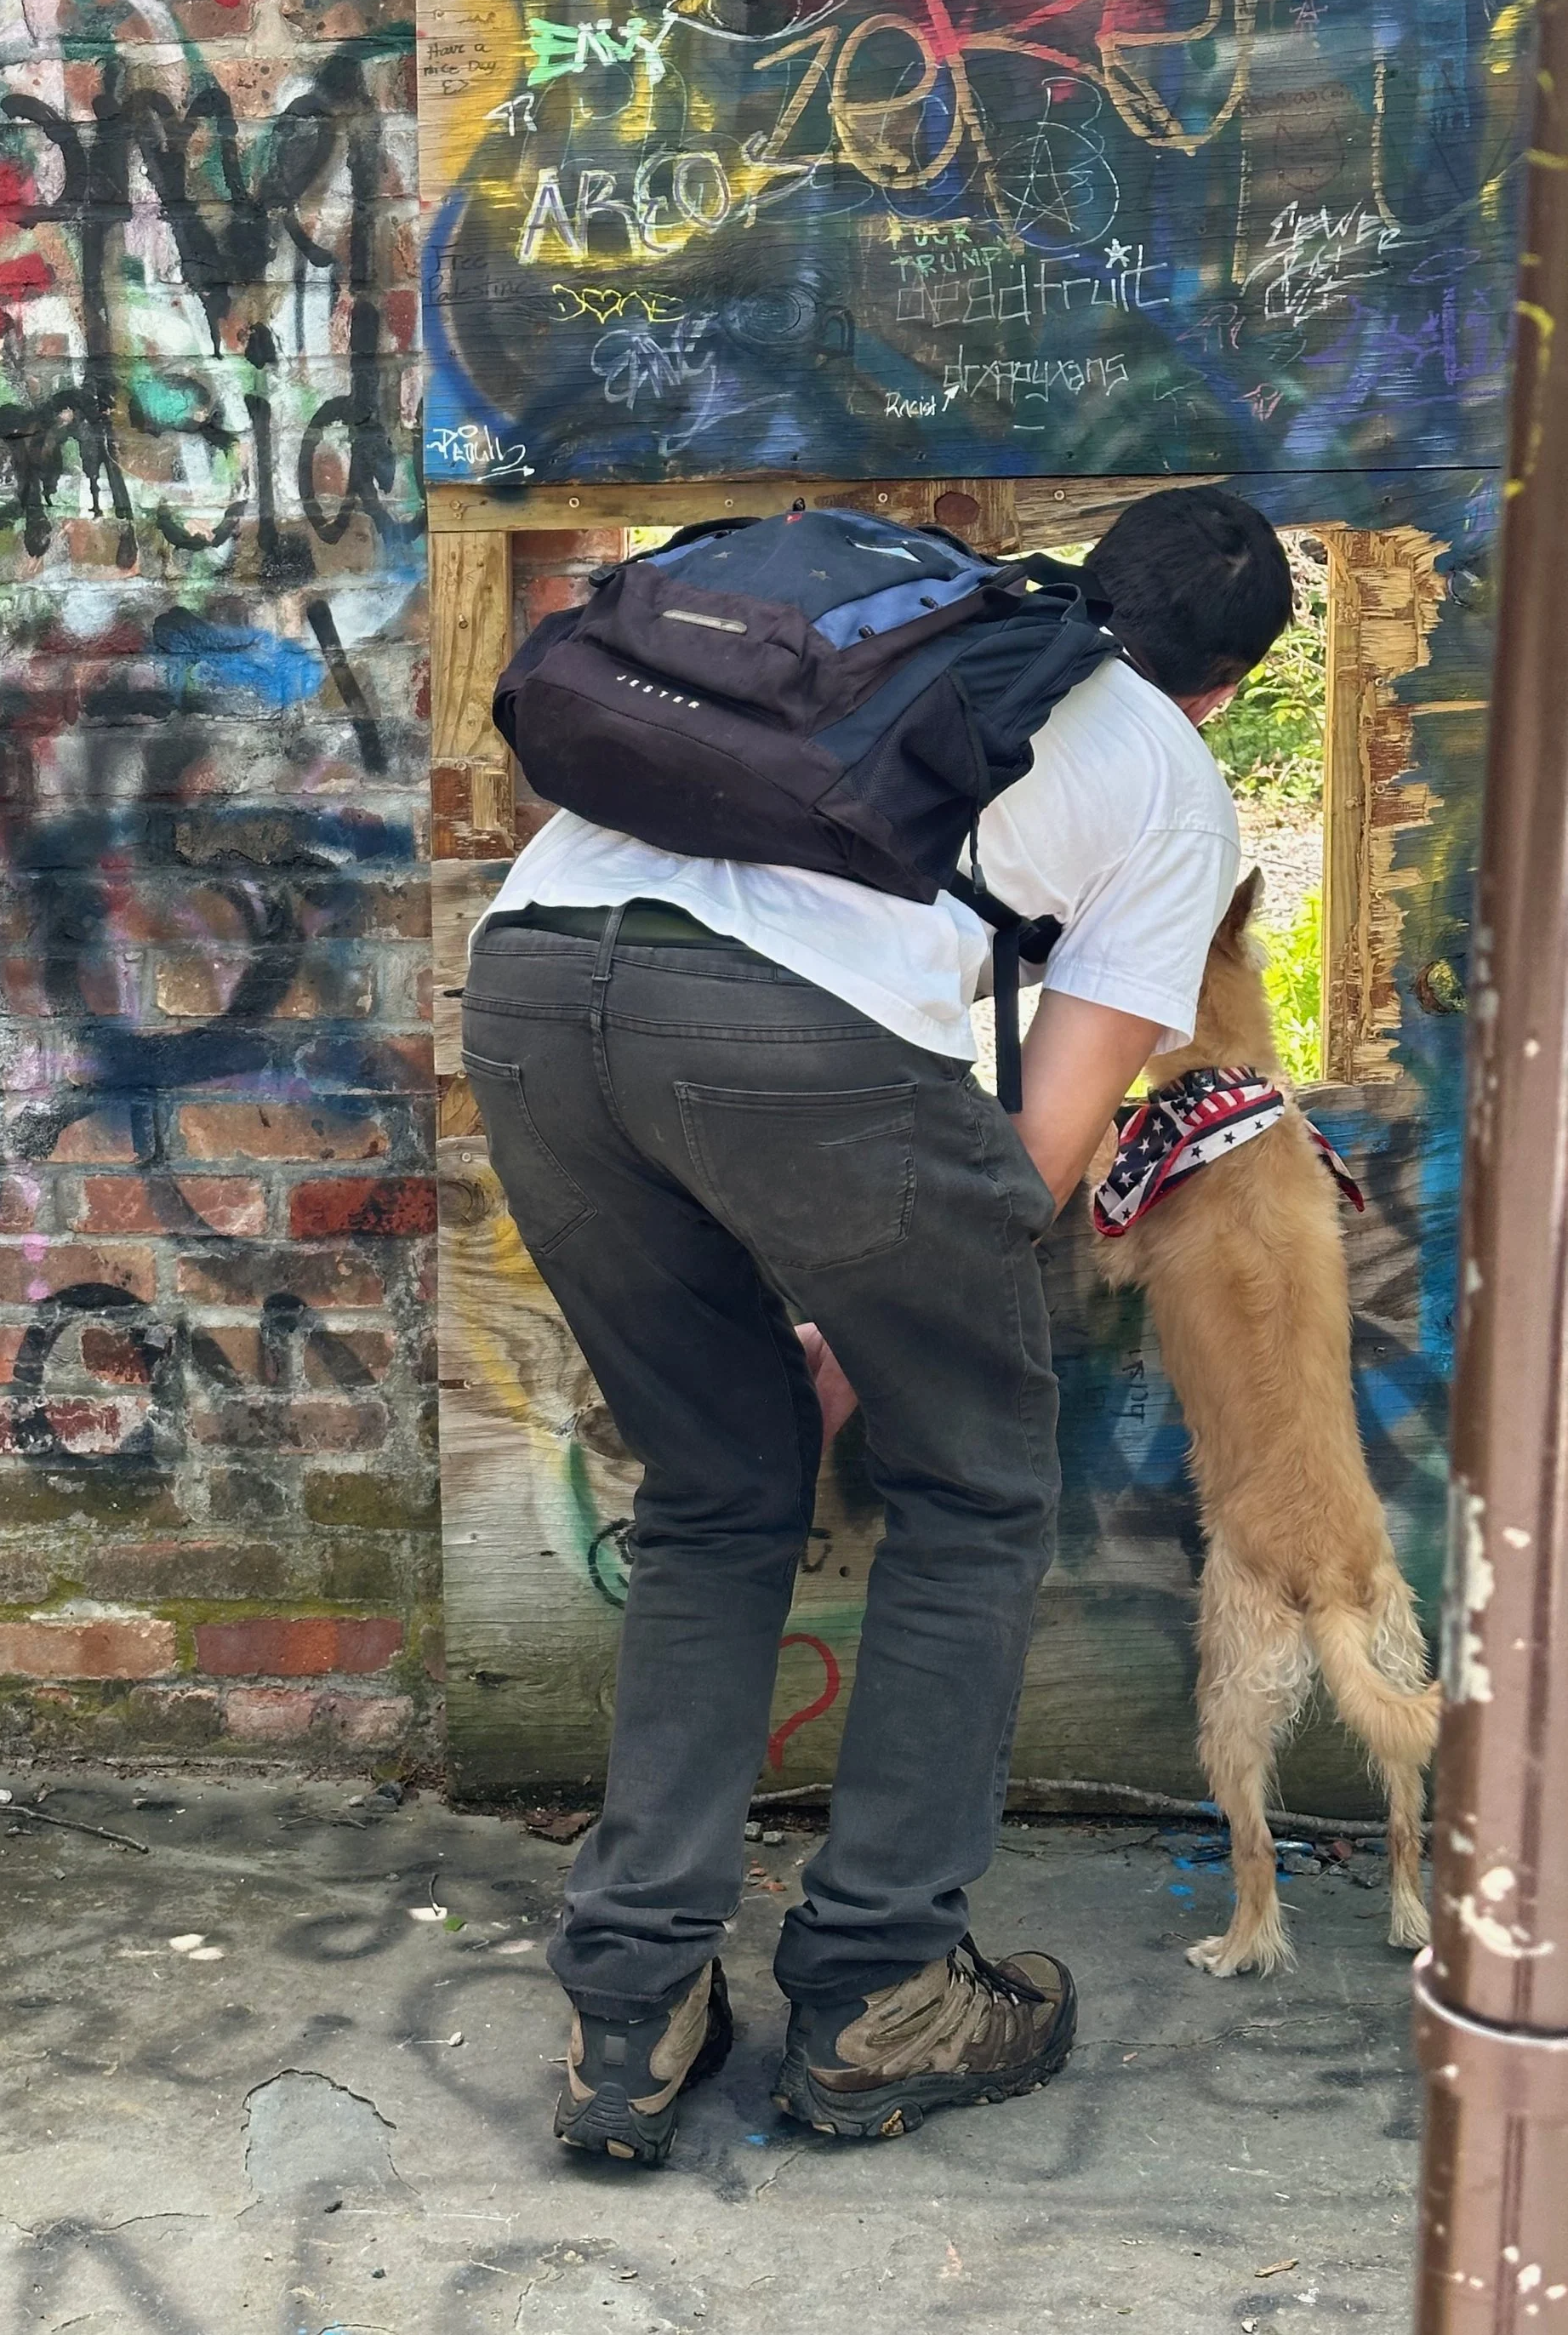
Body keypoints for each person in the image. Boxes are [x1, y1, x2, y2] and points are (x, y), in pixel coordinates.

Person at [459, 485, 1294, 2164]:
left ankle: (629, 2006)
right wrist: (868, 1326)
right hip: (788, 1047)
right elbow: (1026, 1158)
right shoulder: (1159, 769)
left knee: (711, 1487)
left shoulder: (912, 631)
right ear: (1220, 685)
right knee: (976, 1485)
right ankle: (874, 1990)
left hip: (533, 994)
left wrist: (837, 1312)